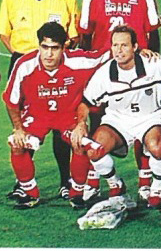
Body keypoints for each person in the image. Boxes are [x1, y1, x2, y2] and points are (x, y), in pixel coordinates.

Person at [78, 0, 161, 200]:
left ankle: (145, 180)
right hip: (104, 72)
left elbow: (152, 31)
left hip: (137, 71)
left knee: (144, 122)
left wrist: (154, 66)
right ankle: (95, 178)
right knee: (97, 121)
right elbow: (85, 36)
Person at [0, 0, 79, 201]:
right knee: (23, 123)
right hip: (23, 64)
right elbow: (4, 32)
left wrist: (52, 58)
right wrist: (25, 60)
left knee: (61, 123)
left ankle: (66, 180)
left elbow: (74, 35)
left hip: (56, 65)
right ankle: (23, 182)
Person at [4, 22, 107, 209]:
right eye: (44, 47)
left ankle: (76, 193)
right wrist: (18, 129)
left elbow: (108, 54)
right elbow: (11, 101)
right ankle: (29, 192)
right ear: (39, 46)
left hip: (68, 116)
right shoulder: (24, 65)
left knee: (80, 143)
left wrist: (139, 50)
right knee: (15, 144)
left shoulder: (79, 61)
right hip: (37, 115)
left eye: (54, 48)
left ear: (64, 47)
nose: (48, 54)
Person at [83, 26, 161, 209]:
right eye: (115, 45)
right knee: (95, 150)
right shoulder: (104, 74)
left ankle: (156, 187)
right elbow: (85, 102)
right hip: (118, 120)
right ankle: (115, 184)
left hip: (151, 117)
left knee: (156, 146)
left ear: (135, 47)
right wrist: (80, 123)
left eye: (124, 45)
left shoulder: (154, 63)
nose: (119, 50)